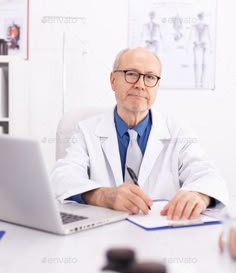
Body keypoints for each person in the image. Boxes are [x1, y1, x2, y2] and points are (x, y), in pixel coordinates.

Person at [51, 47, 228, 220]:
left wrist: (199, 195)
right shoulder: (86, 130)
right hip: (102, 235)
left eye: (150, 77)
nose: (140, 85)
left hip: (162, 237)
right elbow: (62, 177)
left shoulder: (178, 132)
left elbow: (209, 176)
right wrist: (103, 196)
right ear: (113, 80)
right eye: (132, 74)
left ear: (157, 85)